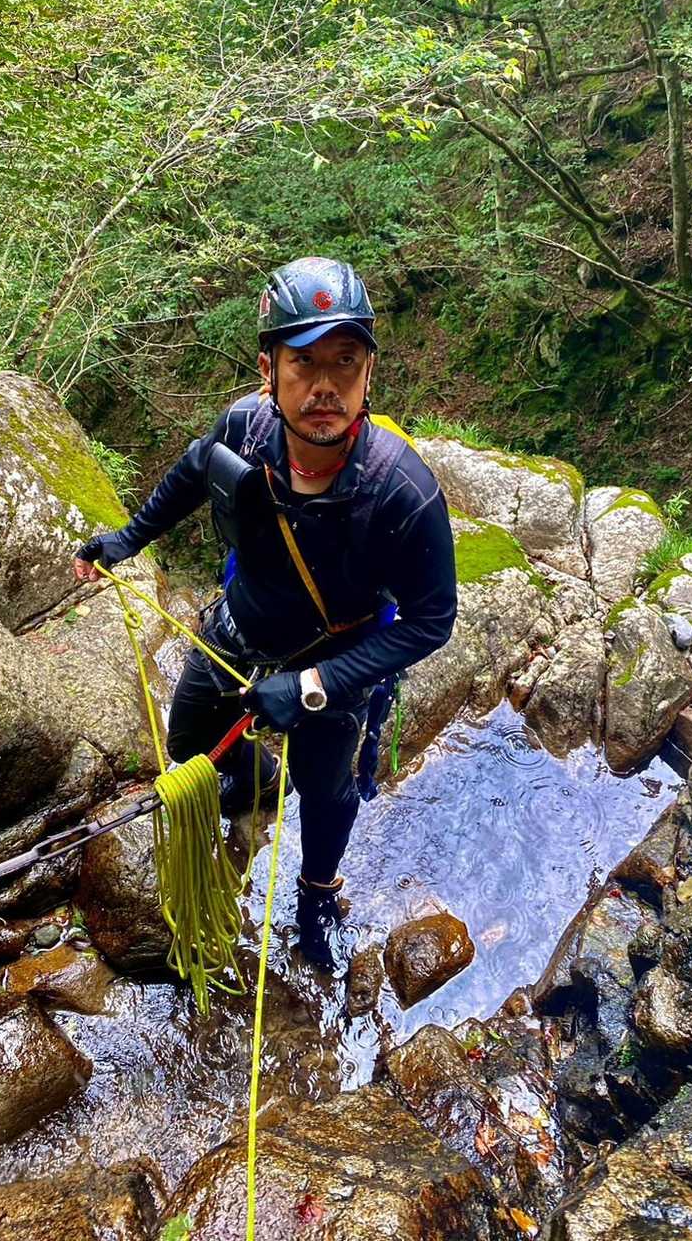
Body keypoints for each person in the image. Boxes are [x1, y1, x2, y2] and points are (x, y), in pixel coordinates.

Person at [75, 256, 457, 971]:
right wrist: (126, 540)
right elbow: (195, 469)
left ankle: (318, 893)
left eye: (345, 363)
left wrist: (312, 688)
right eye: (303, 362)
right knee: (189, 738)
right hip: (243, 623)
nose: (325, 386)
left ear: (369, 374)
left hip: (337, 657)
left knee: (326, 789)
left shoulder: (402, 492)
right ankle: (257, 783)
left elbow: (432, 619)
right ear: (268, 370)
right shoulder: (245, 429)